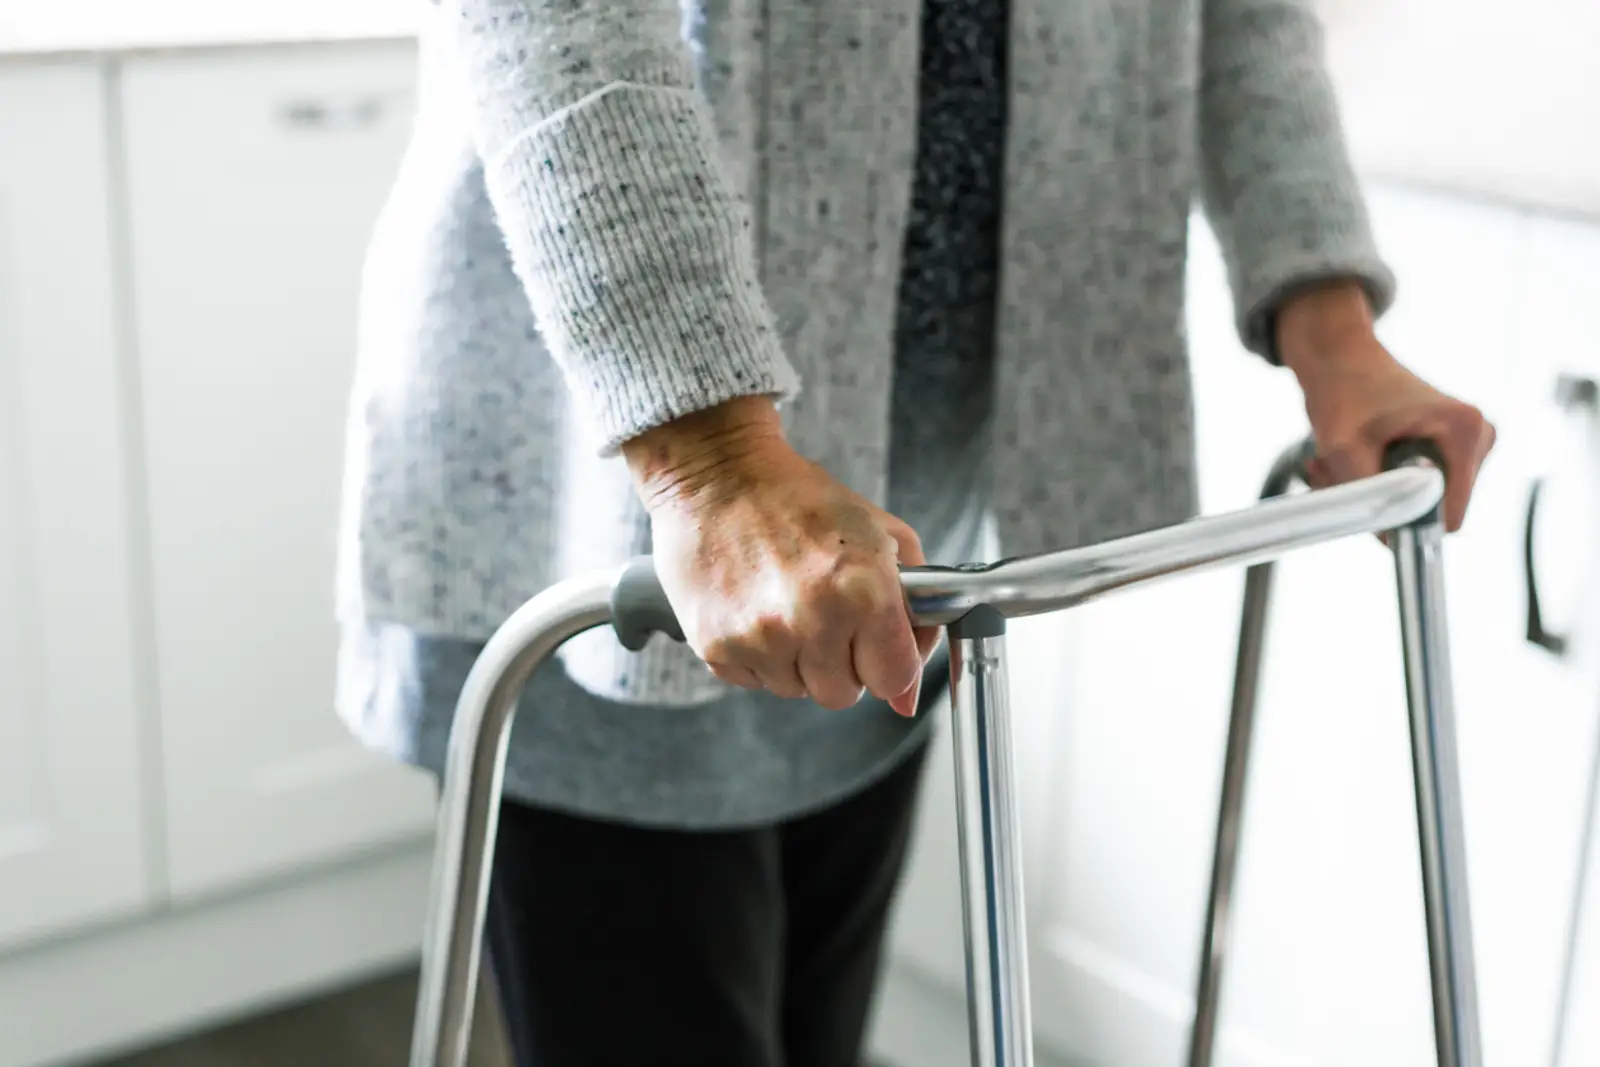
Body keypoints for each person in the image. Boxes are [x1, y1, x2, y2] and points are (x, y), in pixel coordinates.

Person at [335, 0, 1496, 1063]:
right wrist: (712, 460)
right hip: (620, 504)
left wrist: (1332, 327)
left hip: (894, 537)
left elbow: (1237, 17)